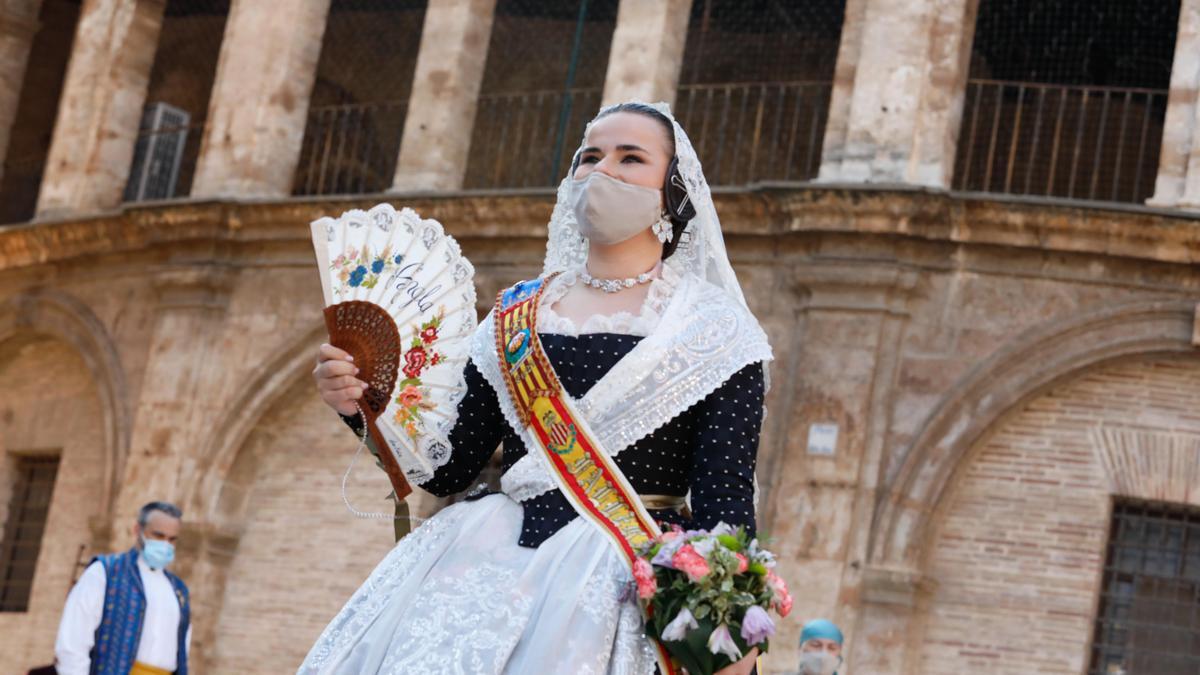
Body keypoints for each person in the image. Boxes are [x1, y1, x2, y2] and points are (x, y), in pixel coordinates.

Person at [303, 101, 772, 675]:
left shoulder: (716, 329)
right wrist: (359, 405)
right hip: (484, 564)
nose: (602, 171)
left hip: (626, 580)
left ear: (673, 192)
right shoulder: (515, 314)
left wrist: (728, 632)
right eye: (589, 157)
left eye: (631, 158)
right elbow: (449, 470)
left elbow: (725, 497)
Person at [55, 501, 191, 675]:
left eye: (172, 539)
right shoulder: (106, 572)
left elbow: (182, 651)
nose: (165, 544)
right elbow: (73, 640)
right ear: (137, 530)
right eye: (158, 535)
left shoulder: (178, 590)